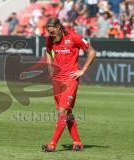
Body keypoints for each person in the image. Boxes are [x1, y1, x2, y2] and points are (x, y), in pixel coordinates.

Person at [42, 17, 96, 152]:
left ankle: (52, 144)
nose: (51, 35)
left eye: (52, 32)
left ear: (59, 27)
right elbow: (48, 51)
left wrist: (82, 70)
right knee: (67, 112)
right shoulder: (50, 40)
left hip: (70, 80)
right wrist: (49, 65)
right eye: (49, 32)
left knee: (62, 112)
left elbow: (92, 52)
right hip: (57, 80)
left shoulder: (74, 37)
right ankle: (77, 142)